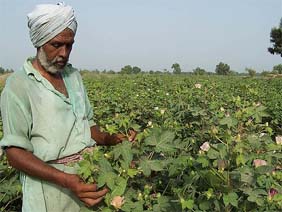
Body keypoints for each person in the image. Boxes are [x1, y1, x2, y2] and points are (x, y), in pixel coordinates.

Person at [0, 3, 136, 212]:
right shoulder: (18, 85)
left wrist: (112, 139)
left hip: (87, 177)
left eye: (69, 45)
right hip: (49, 192)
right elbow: (15, 153)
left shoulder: (73, 77)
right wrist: (66, 180)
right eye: (56, 45)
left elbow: (87, 125)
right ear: (39, 42)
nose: (64, 53)